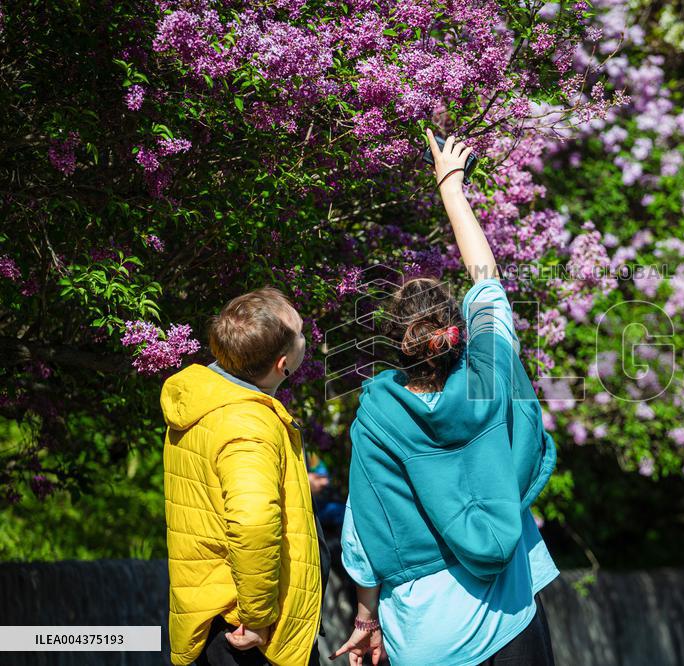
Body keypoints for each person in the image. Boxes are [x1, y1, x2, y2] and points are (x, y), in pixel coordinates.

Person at [332, 131, 560, 666]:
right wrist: (451, 186)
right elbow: (486, 279)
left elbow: (365, 532)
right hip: (511, 620)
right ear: (459, 332)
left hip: (427, 636)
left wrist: (366, 617)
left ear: (394, 345)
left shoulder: (378, 418)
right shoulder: (486, 376)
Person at [161, 287, 326, 666]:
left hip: (213, 616)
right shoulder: (247, 424)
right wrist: (257, 617)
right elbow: (252, 523)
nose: (306, 337)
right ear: (283, 363)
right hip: (245, 637)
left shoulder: (205, 399)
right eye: (301, 332)